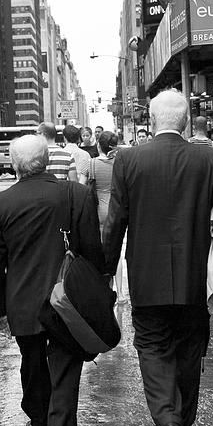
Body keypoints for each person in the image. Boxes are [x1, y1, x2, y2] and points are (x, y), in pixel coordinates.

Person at [103, 89, 213, 426]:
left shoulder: (128, 159)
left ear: (151, 120)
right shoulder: (207, 158)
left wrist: (106, 272)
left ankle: (166, 417)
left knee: (151, 346)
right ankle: (183, 417)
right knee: (190, 347)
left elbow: (116, 221)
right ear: (184, 123)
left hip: (146, 275)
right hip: (194, 274)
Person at [0, 134, 105, 426]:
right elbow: (92, 252)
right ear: (47, 160)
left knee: (33, 366)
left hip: (24, 303)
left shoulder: (0, 204)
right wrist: (101, 293)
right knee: (65, 379)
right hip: (69, 302)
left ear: (14, 164)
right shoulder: (77, 195)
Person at [90, 130, 126, 303]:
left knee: (102, 251)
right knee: (116, 249)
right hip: (117, 209)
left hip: (99, 211)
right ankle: (121, 293)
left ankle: (105, 290)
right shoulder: (121, 162)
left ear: (99, 145)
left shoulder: (92, 164)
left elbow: (84, 187)